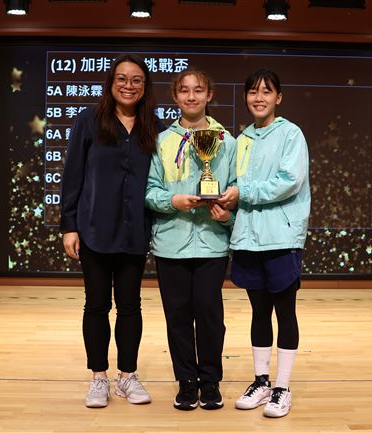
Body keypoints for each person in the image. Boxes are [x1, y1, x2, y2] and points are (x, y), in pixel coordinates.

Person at [60, 54, 165, 409]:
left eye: (136, 80)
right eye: (121, 78)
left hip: (135, 232)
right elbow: (73, 175)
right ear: (111, 83)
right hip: (94, 230)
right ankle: (98, 378)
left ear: (145, 86)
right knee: (96, 305)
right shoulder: (88, 121)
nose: (128, 85)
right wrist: (69, 225)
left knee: (130, 306)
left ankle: (127, 377)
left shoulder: (155, 127)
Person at [145, 69, 237, 411]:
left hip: (212, 242)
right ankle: (186, 381)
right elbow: (150, 190)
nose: (191, 96)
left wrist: (227, 209)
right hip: (171, 244)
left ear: (209, 95)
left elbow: (237, 188)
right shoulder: (161, 141)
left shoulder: (227, 141)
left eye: (199, 90)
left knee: (210, 314)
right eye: (184, 90)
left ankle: (210, 381)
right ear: (175, 96)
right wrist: (174, 201)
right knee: (178, 316)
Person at [227, 69, 311, 418]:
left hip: (280, 238)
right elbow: (235, 186)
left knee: (285, 312)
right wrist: (227, 209)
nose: (258, 97)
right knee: (259, 312)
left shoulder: (291, 134)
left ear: (279, 97)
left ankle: (283, 388)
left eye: (266, 91)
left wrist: (242, 192)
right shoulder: (241, 139)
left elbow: (289, 181)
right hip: (249, 240)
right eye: (252, 91)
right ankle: (261, 382)